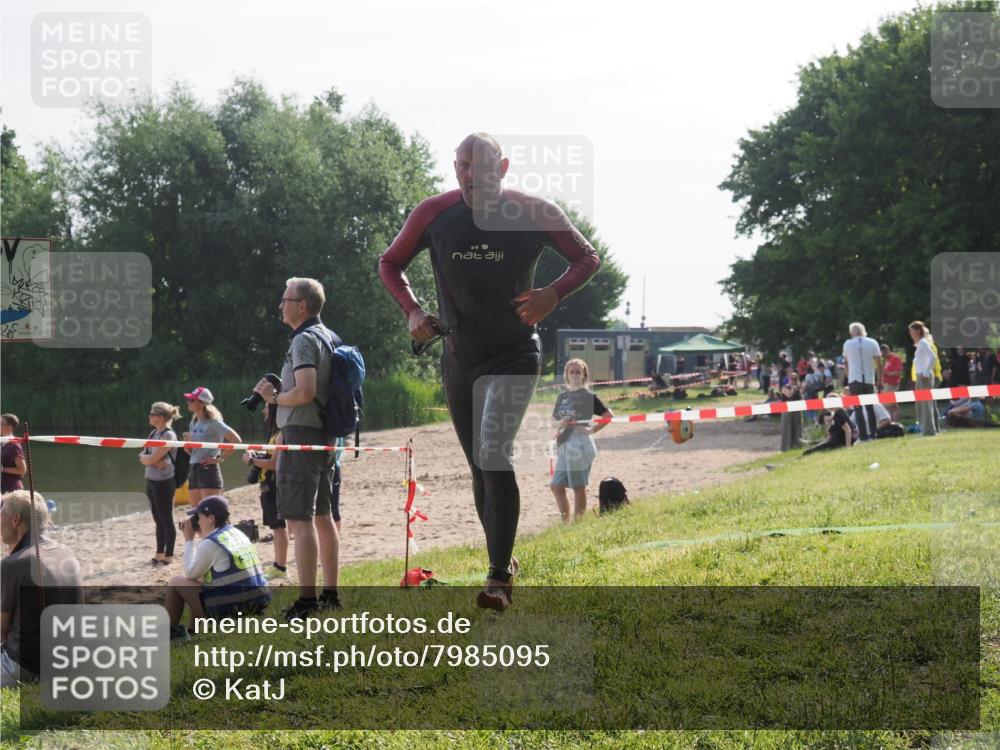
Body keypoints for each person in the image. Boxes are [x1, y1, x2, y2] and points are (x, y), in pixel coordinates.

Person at [378, 132, 600, 610]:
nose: (469, 174)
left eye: (479, 166)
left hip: (515, 354)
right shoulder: (433, 213)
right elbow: (390, 264)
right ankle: (504, 561)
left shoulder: (535, 211)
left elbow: (587, 257)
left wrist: (552, 294)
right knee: (480, 465)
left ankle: (498, 578)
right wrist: (413, 312)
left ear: (501, 168)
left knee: (494, 454)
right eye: (461, 165)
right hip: (459, 357)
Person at [252, 277, 342, 620]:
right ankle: (330, 594)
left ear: (301, 305)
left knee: (300, 520)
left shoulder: (304, 339)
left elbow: (304, 392)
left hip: (302, 433)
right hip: (325, 435)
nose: (280, 305)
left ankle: (307, 601)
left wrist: (274, 398)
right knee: (323, 516)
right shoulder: (330, 336)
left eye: (285, 299)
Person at [1, 490, 83, 687]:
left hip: (26, 665)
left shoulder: (14, 564)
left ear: (15, 519)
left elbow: (1, 631)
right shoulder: (67, 553)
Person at [165, 495, 270, 638]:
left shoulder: (210, 544)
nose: (197, 521)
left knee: (176, 582)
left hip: (233, 611)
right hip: (258, 605)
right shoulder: (237, 533)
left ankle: (171, 634)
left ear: (211, 518)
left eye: (199, 516)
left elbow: (190, 573)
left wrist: (189, 540)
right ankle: (192, 631)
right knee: (200, 580)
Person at [550, 359, 613, 521]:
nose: (575, 375)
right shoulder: (562, 396)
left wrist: (590, 430)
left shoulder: (588, 396)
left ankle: (578, 523)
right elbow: (553, 420)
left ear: (584, 374)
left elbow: (608, 416)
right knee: (556, 486)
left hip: (580, 444)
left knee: (578, 486)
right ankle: (565, 523)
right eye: (571, 372)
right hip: (564, 443)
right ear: (566, 375)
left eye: (578, 372)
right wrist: (560, 423)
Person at [242, 403, 288, 579]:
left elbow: (275, 464)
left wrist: (251, 461)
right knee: (276, 528)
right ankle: (278, 565)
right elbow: (270, 458)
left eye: (267, 408)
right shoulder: (275, 434)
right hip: (267, 486)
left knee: (279, 527)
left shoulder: (281, 434)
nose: (263, 411)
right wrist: (257, 455)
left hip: (275, 486)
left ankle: (281, 567)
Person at [183, 387, 241, 507]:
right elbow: (190, 451)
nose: (188, 402)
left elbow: (236, 440)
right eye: (189, 400)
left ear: (201, 403)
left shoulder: (213, 422)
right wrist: (187, 444)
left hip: (208, 469)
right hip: (193, 467)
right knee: (195, 513)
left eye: (192, 400)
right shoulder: (193, 423)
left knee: (211, 511)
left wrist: (219, 458)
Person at [139, 402, 180, 566]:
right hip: (151, 480)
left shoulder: (168, 435)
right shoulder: (153, 433)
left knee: (166, 519)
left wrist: (151, 460)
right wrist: (151, 460)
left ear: (160, 417)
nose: (149, 416)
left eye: (152, 414)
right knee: (157, 519)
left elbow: (151, 458)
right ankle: (159, 553)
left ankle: (169, 555)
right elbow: (143, 455)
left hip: (164, 482)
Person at [842, 322, 882, 442]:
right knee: (870, 408)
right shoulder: (872, 342)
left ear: (851, 333)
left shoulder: (848, 344)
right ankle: (873, 434)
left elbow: (846, 362)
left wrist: (848, 376)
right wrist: (879, 379)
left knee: (858, 408)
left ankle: (863, 435)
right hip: (869, 379)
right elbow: (879, 363)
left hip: (854, 379)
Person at [909, 321, 940, 437]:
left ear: (917, 331)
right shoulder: (920, 343)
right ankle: (925, 429)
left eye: (912, 331)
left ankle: (929, 431)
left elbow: (933, 356)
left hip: (924, 376)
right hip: (920, 375)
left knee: (926, 405)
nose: (910, 334)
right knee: (922, 404)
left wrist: (926, 372)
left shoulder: (922, 342)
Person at [779, 372, 805, 451]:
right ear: (789, 379)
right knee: (787, 428)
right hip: (787, 410)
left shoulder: (798, 388)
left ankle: (797, 445)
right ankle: (786, 447)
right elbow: (788, 395)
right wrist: (793, 389)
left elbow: (801, 397)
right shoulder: (784, 387)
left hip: (797, 409)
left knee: (797, 427)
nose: (793, 380)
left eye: (795, 379)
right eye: (792, 379)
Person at [1, 414, 26, 494]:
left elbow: (22, 470)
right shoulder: (2, 442)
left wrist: (2, 469)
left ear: (10, 427)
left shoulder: (14, 446)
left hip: (12, 490)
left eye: (1, 423)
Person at [880, 344, 903, 422]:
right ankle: (892, 421)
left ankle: (893, 422)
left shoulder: (895, 358)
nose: (882, 356)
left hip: (892, 384)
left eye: (883, 354)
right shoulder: (887, 360)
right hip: (886, 385)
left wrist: (888, 374)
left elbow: (898, 372)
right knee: (890, 405)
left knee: (891, 406)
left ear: (886, 351)